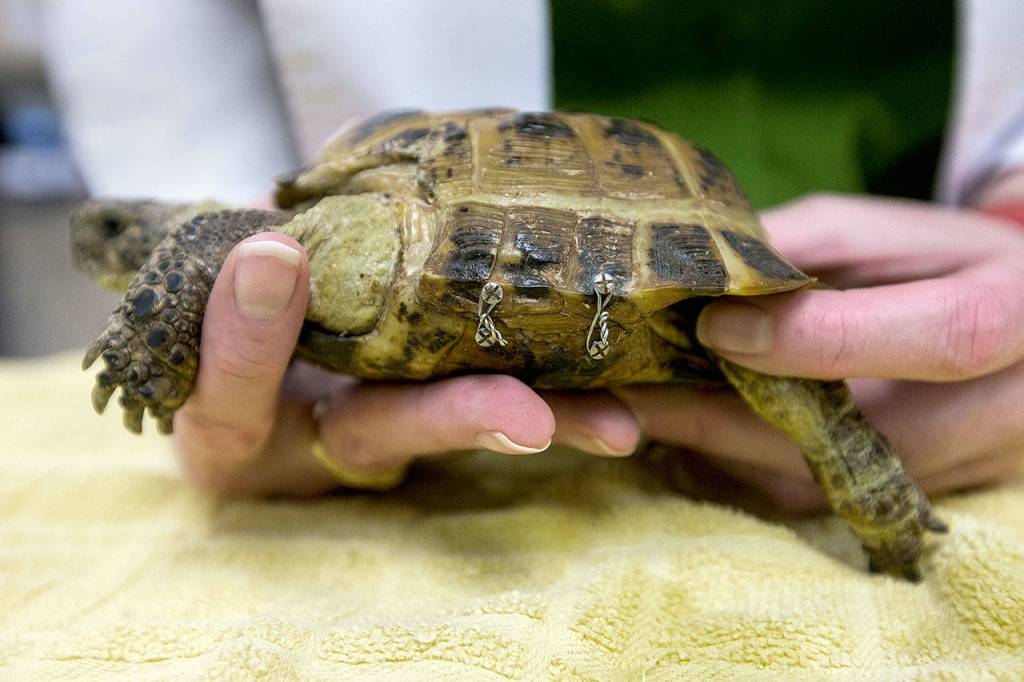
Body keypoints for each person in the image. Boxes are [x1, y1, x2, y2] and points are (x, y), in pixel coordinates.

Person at [46, 1, 1024, 505]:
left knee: (770, 352)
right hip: (392, 218)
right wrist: (216, 392)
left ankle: (874, 484)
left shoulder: (229, 238)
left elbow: (213, 237)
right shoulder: (299, 229)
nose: (112, 243)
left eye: (131, 236)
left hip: (909, 277)